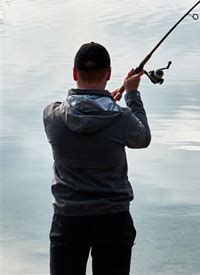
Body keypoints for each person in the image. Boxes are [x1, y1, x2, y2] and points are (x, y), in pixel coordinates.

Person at [43, 42, 151, 275]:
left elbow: (82, 114)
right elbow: (142, 138)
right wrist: (131, 94)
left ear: (74, 74)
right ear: (109, 73)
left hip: (68, 220)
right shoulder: (122, 118)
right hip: (113, 219)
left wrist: (103, 103)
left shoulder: (52, 116)